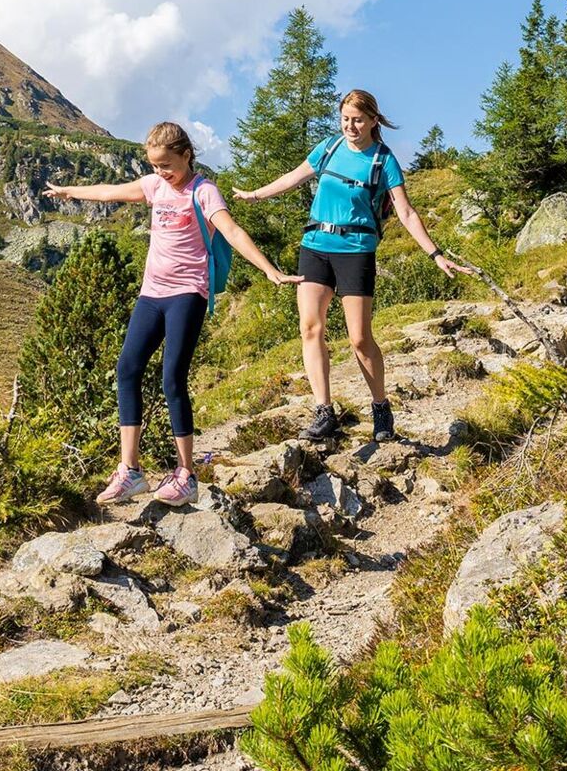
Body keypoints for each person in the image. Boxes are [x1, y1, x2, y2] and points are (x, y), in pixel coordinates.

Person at [43, 122, 298, 506]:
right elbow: (110, 193)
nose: (161, 172)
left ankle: (186, 474)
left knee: (171, 378)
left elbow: (232, 231)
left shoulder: (204, 191)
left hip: (187, 294)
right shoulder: (154, 186)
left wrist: (269, 269)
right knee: (127, 368)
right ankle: (130, 470)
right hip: (152, 293)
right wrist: (67, 191)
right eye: (154, 165)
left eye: (167, 164)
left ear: (186, 155)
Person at [235, 89, 462, 443]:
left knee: (359, 338)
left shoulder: (383, 160)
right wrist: (255, 194)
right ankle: (324, 412)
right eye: (345, 120)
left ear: (373, 120)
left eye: (357, 120)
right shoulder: (329, 148)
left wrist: (435, 253)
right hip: (315, 245)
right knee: (311, 328)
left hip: (356, 250)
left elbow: (405, 212)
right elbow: (293, 177)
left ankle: (380, 408)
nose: (350, 127)